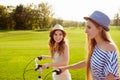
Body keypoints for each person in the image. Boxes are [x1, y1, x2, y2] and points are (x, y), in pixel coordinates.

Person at [57, 11, 120, 80]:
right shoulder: (96, 46)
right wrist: (65, 68)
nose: (85, 31)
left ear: (99, 29)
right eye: (86, 27)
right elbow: (88, 62)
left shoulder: (110, 48)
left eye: (89, 27)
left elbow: (110, 77)